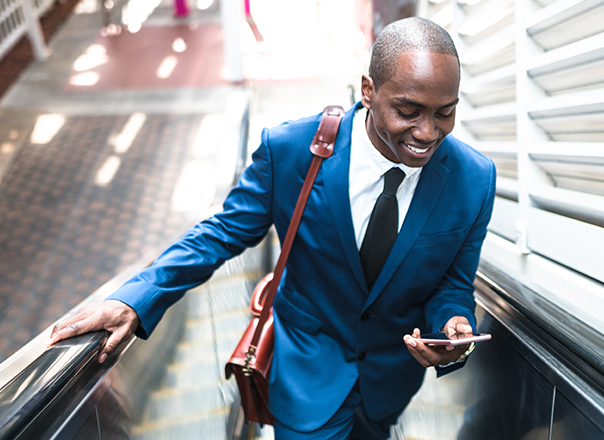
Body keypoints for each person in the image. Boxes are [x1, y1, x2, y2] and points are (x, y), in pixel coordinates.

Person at [49, 17, 496, 440]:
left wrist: (454, 326)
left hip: (389, 387)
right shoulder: (291, 151)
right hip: (306, 376)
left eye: (445, 113)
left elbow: (453, 284)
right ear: (368, 90)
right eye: (408, 110)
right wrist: (136, 298)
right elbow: (220, 233)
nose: (427, 132)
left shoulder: (474, 179)